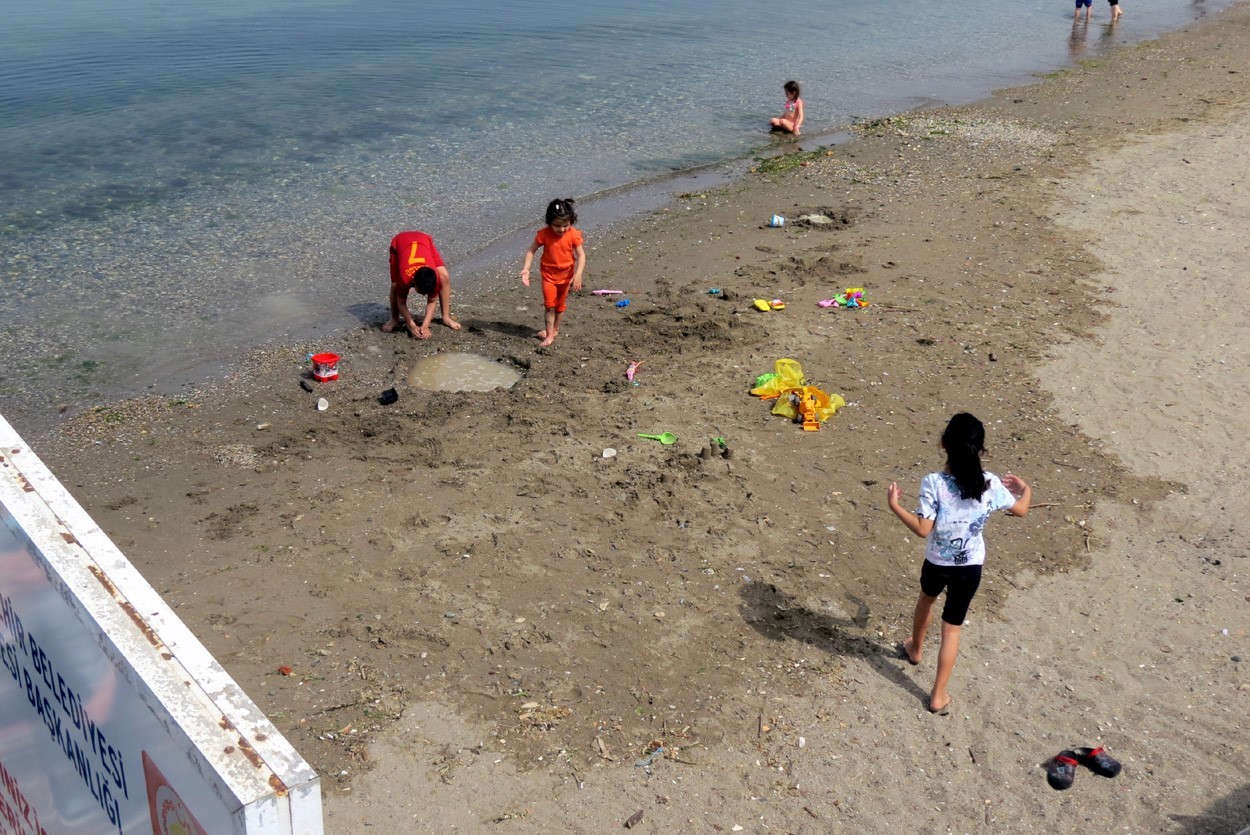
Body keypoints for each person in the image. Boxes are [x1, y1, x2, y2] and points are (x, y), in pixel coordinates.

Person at [885, 413, 1032, 714]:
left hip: (937, 562)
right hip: (969, 569)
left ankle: (915, 649)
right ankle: (938, 695)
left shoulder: (934, 483)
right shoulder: (990, 483)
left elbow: (923, 529)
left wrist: (895, 506)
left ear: (944, 444)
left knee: (926, 599)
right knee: (952, 629)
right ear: (980, 449)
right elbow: (1021, 510)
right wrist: (1025, 489)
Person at [520, 198, 586, 347]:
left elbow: (581, 255)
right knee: (550, 306)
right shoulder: (544, 234)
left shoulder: (573, 234)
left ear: (571, 222)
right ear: (549, 222)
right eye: (557, 226)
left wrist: (578, 273)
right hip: (548, 276)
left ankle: (555, 329)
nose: (561, 229)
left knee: (560, 306)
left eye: (565, 225)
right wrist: (526, 269)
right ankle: (549, 335)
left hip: (566, 276)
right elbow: (531, 250)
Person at [384, 230, 460, 339]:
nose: (424, 295)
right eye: (422, 292)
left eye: (426, 292)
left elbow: (432, 301)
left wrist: (425, 326)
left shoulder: (435, 278)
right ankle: (394, 319)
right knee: (395, 286)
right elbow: (401, 302)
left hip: (424, 241)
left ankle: (446, 317)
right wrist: (412, 325)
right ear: (413, 282)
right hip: (400, 242)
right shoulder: (405, 279)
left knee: (444, 276)